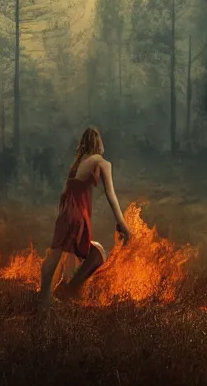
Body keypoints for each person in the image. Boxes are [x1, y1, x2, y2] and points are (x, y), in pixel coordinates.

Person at [38, 127, 132, 311]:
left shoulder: (77, 164)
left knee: (56, 255)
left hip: (66, 214)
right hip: (78, 216)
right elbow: (111, 195)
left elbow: (63, 194)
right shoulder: (103, 163)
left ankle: (46, 297)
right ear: (98, 142)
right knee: (97, 254)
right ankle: (68, 290)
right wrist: (123, 225)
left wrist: (64, 217)